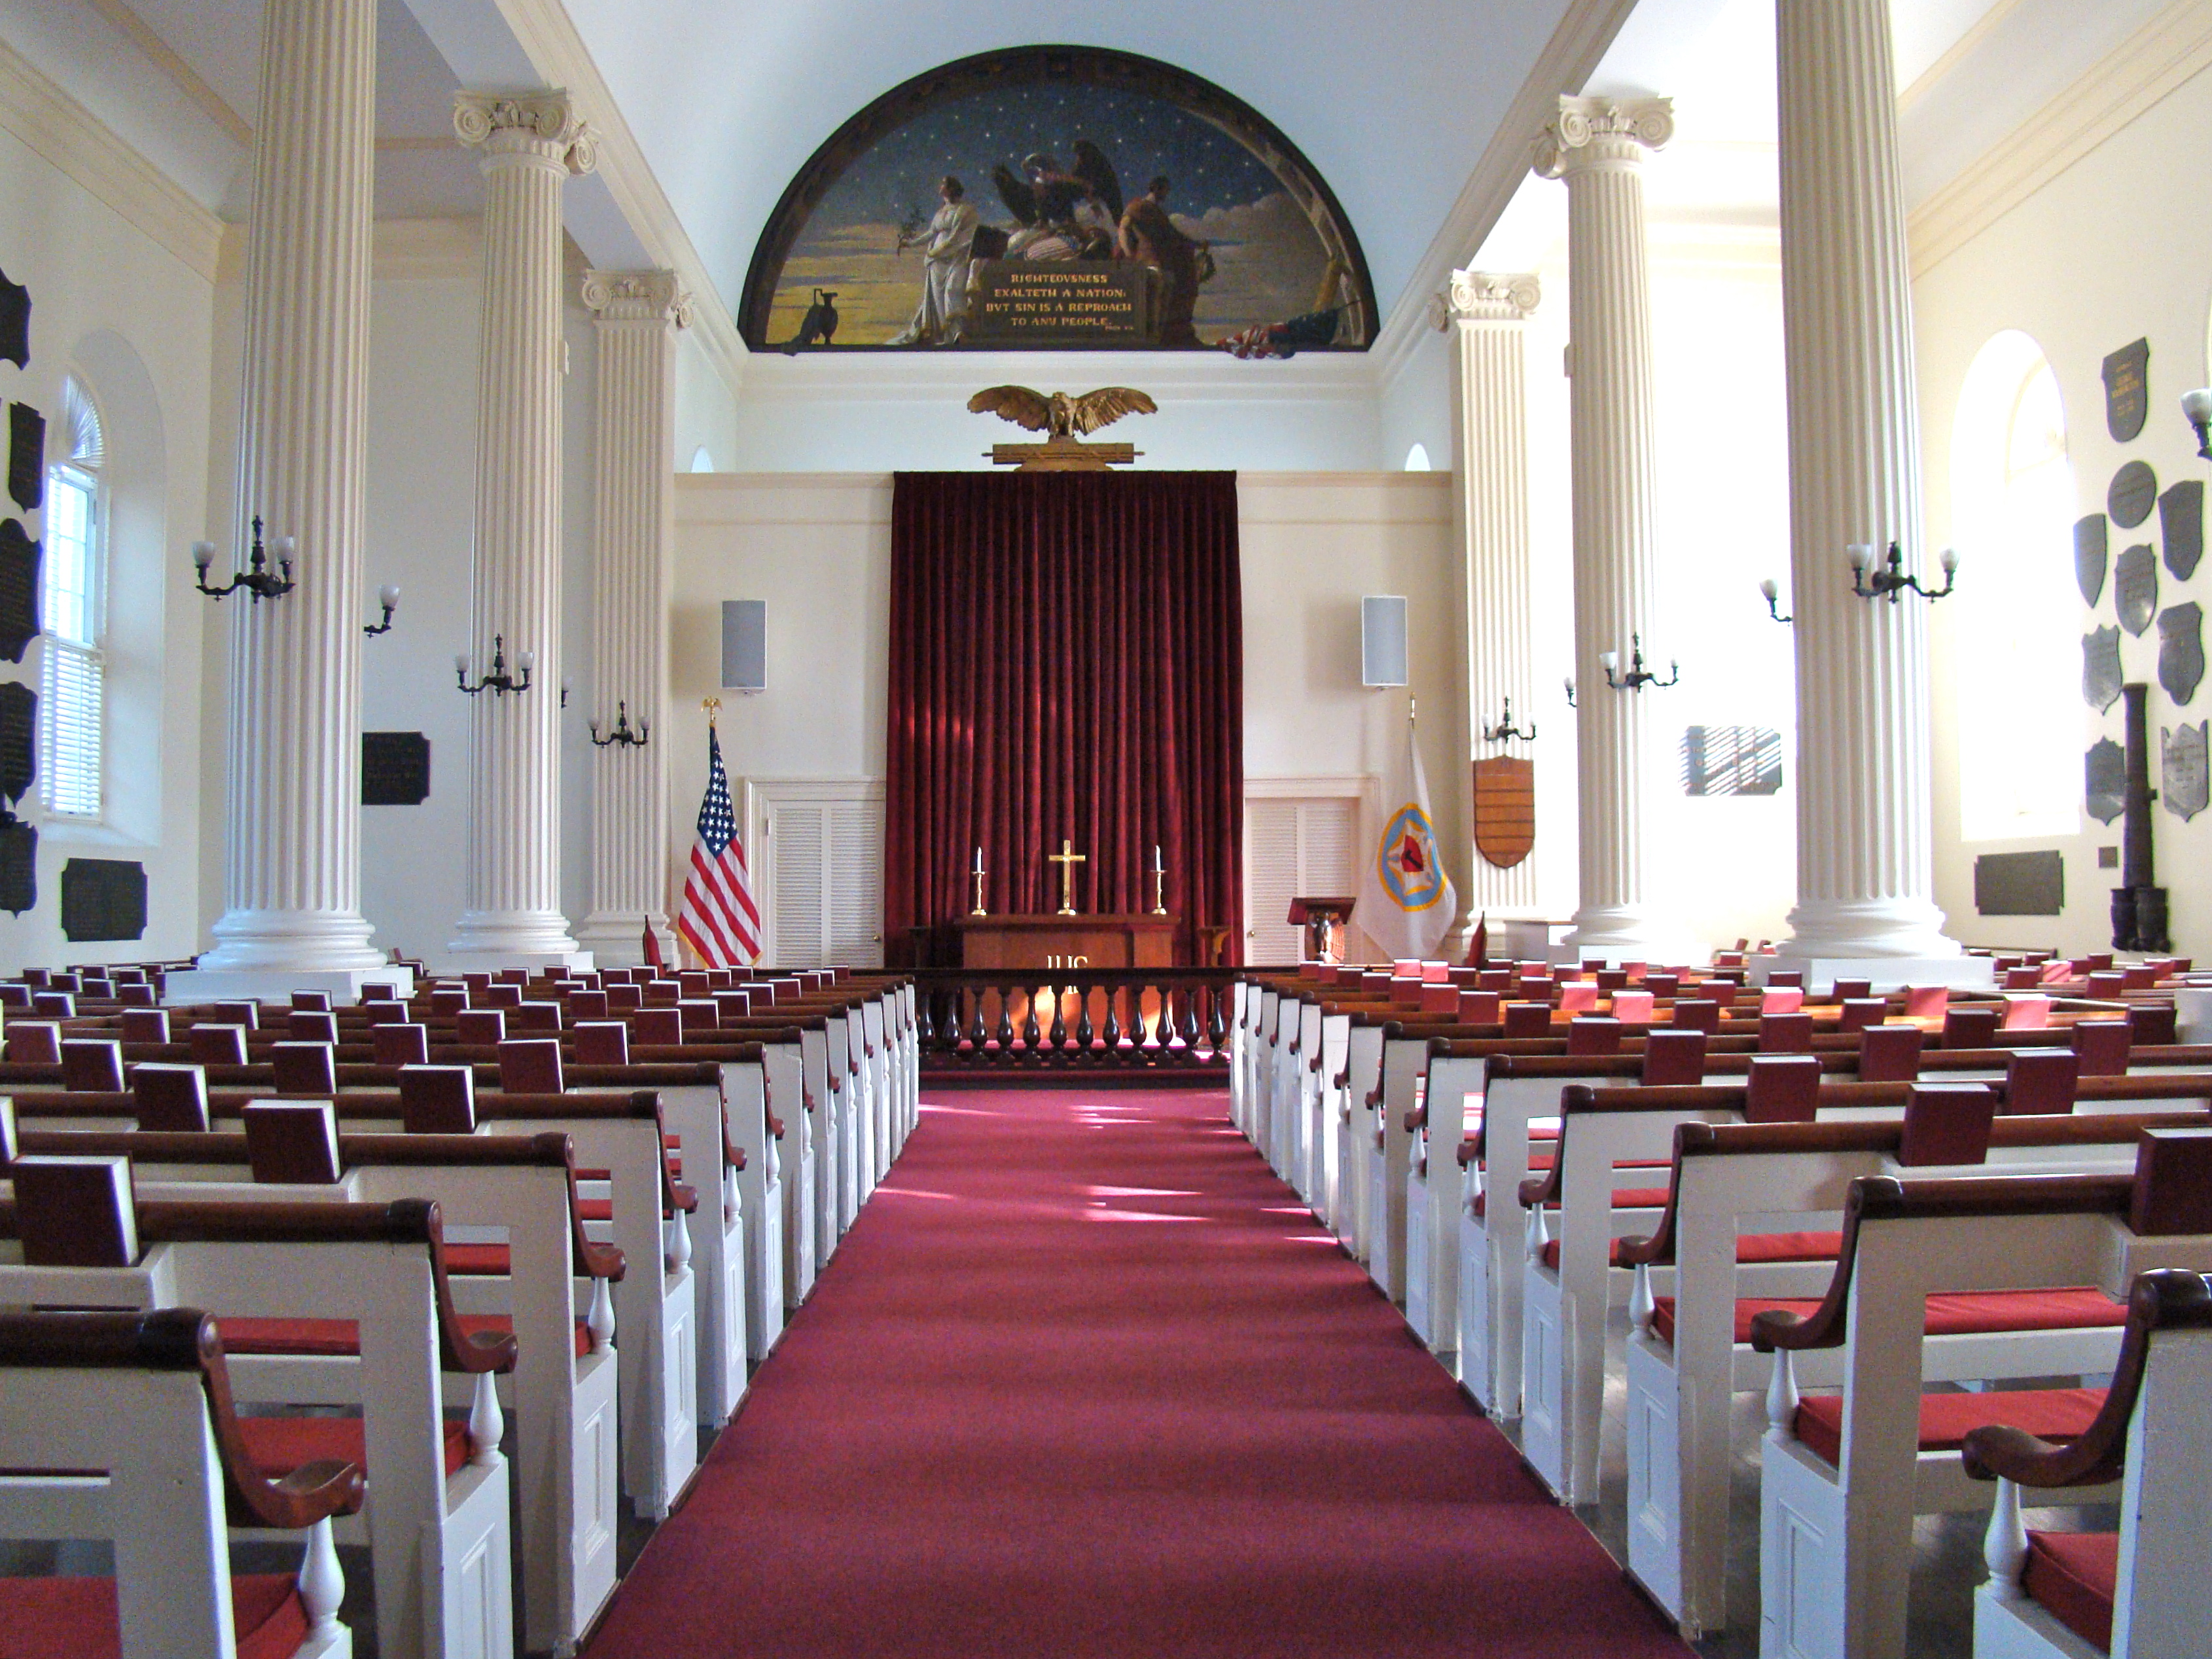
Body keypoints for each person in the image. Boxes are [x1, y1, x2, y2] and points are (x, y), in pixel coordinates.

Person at [1118, 175, 1207, 348]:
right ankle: (1148, 342)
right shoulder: (1138, 206)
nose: (1167, 194)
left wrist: (1197, 244)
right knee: (1152, 305)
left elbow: (1175, 236)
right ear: (1157, 189)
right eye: (1165, 190)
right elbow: (1124, 227)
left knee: (1164, 307)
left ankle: (1158, 341)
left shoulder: (1159, 213)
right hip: (1150, 265)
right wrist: (1129, 254)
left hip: (1165, 267)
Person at [889, 176, 979, 345]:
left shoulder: (966, 210)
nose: (940, 188)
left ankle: (957, 333)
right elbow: (931, 233)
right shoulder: (941, 212)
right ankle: (944, 337)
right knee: (938, 299)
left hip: (956, 257)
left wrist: (936, 252)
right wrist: (911, 243)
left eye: (944, 185)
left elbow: (956, 238)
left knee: (953, 292)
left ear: (952, 188)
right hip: (937, 263)